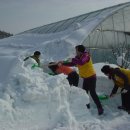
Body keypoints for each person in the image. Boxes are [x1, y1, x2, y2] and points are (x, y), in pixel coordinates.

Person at [59, 45, 104, 115]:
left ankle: (100, 108)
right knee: (85, 92)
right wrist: (62, 64)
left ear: (79, 51)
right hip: (85, 78)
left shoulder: (86, 56)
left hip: (91, 77)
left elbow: (81, 62)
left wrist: (73, 59)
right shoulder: (78, 57)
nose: (75, 52)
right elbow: (72, 63)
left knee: (92, 93)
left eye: (76, 50)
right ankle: (87, 107)